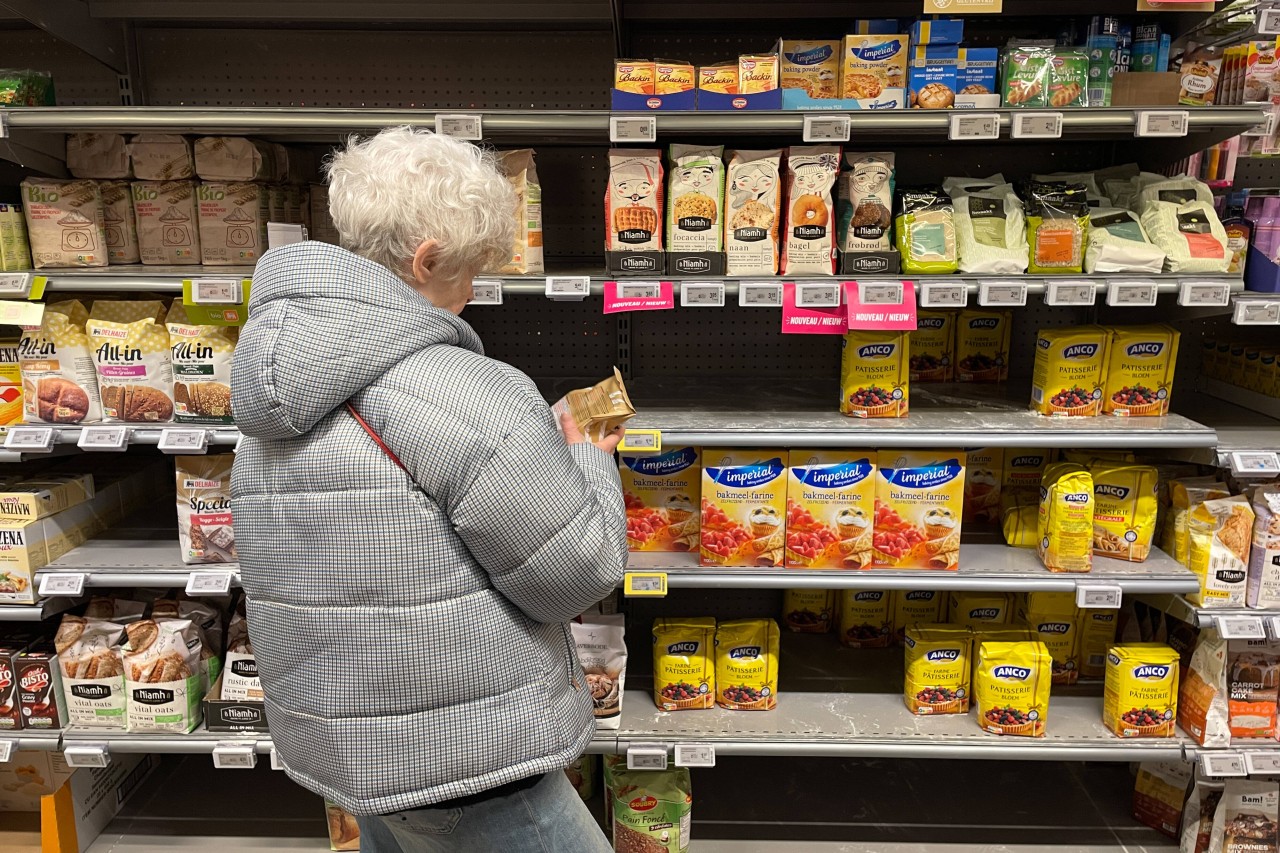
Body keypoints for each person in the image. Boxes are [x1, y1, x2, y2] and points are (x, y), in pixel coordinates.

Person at [231, 126, 627, 852]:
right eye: (472, 271)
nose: (474, 292)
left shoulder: (271, 385)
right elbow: (575, 576)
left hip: (355, 748)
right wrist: (587, 454)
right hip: (470, 761)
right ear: (427, 257)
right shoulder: (471, 395)